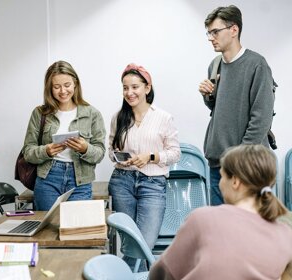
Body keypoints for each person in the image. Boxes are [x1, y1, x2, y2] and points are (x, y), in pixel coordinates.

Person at [149, 144, 292, 280]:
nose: (220, 183)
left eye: (222, 176)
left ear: (235, 181)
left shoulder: (203, 219)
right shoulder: (285, 234)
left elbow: (161, 273)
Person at [198, 5, 275, 206]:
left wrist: (239, 159)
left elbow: (261, 119)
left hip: (246, 166)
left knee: (249, 232)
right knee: (221, 231)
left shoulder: (257, 65)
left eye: (215, 31)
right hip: (217, 165)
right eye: (209, 32)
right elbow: (220, 109)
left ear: (234, 30)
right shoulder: (214, 65)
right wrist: (209, 96)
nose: (210, 37)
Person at [108, 63, 181, 271]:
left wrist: (150, 156)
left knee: (144, 244)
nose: (129, 93)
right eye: (125, 88)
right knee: (130, 244)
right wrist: (120, 158)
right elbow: (110, 151)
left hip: (153, 184)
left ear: (147, 88)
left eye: (135, 87)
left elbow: (175, 153)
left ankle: (121, 275)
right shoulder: (118, 118)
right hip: (122, 182)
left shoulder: (163, 117)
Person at [22, 60, 106, 211]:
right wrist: (46, 151)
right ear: (49, 88)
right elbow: (28, 152)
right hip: (48, 179)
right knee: (47, 230)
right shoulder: (40, 114)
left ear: (75, 84)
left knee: (76, 229)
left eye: (67, 85)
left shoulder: (92, 114)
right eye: (56, 87)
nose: (62, 91)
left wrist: (85, 148)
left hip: (80, 181)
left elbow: (100, 154)